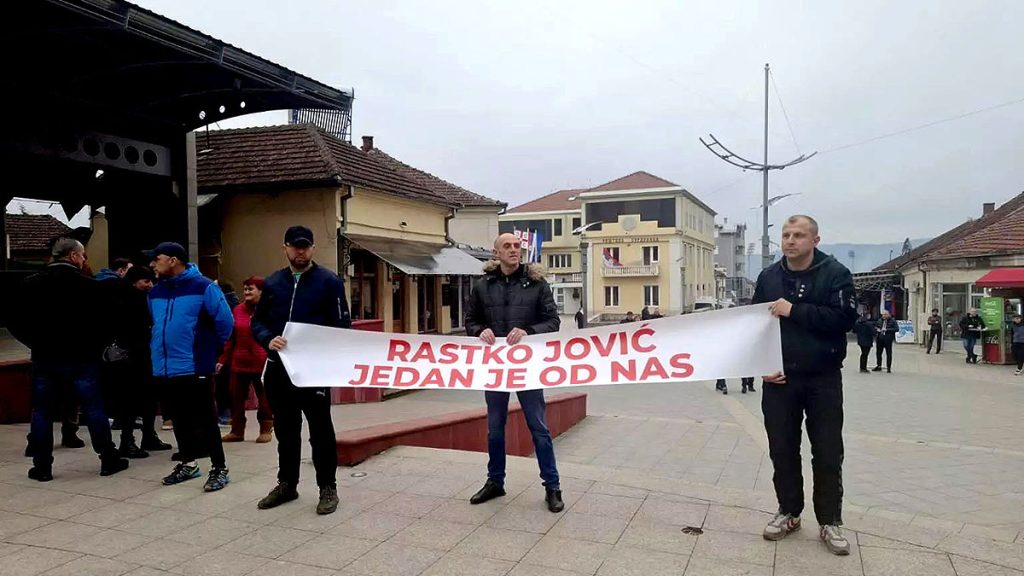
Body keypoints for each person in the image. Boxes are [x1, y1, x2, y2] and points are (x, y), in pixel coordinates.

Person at [753, 215, 858, 556]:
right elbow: (754, 325)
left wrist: (794, 310)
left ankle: (830, 520)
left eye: (798, 235)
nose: (790, 240)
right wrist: (762, 366)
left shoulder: (835, 274)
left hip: (822, 378)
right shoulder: (769, 277)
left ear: (815, 240)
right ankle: (789, 512)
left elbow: (843, 319)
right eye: (786, 234)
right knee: (782, 449)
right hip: (779, 379)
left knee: (827, 451)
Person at [8, 238, 130, 481]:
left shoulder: (31, 284)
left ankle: (42, 466)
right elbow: (109, 322)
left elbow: (13, 320)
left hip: (45, 356)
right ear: (73, 256)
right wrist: (97, 345)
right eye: (83, 255)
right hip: (82, 357)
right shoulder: (89, 287)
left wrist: (34, 342)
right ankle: (108, 458)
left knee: (42, 411)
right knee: (93, 408)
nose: (84, 260)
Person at [251, 226, 350, 515]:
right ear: (285, 248)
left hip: (313, 371)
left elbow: (342, 325)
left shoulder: (329, 282)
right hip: (280, 369)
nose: (301, 251)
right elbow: (258, 322)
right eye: (295, 246)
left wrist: (324, 353)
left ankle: (327, 487)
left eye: (305, 246)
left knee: (321, 431)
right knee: (286, 430)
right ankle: (287, 484)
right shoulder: (273, 283)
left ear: (313, 248)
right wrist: (267, 339)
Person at [465, 232, 564, 513]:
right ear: (496, 253)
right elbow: (470, 320)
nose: (513, 250)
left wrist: (529, 331)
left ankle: (552, 487)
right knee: (495, 428)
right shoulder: (483, 286)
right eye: (507, 246)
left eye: (517, 246)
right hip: (495, 367)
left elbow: (553, 321)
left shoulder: (537, 284)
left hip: (527, 367)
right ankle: (495, 481)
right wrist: (479, 330)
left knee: (539, 428)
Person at [147, 242, 234, 491]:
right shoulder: (155, 292)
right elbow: (156, 323)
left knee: (206, 419)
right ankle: (188, 463)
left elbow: (225, 323)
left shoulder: (204, 287)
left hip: (194, 366)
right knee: (179, 418)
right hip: (165, 367)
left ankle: (219, 468)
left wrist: (208, 350)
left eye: (157, 258)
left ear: (173, 260)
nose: (152, 264)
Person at [106, 265, 171, 457]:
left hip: (142, 356)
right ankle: (128, 441)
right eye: (146, 281)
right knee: (133, 400)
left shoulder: (137, 297)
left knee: (147, 398)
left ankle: (147, 436)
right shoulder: (128, 300)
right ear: (134, 281)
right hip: (133, 358)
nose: (150, 285)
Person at [219, 276, 273, 443]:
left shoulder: (269, 310)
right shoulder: (237, 310)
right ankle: (237, 431)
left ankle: (266, 428)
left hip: (262, 362)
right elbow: (231, 337)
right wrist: (222, 359)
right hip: (239, 362)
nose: (247, 292)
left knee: (265, 398)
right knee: (235, 397)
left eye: (251, 289)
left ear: (261, 291)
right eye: (245, 289)